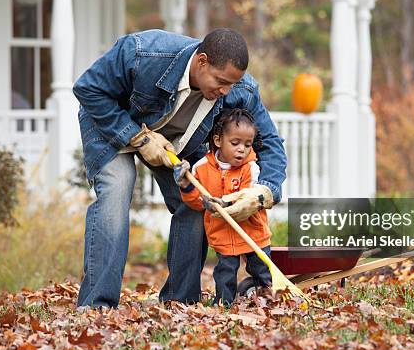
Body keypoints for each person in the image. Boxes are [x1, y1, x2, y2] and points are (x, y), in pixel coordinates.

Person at [72, 28, 286, 308]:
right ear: (202, 61)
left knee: (198, 201)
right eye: (221, 81)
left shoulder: (241, 89)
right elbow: (88, 88)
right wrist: (137, 136)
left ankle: (179, 301)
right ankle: (96, 305)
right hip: (112, 124)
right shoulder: (141, 52)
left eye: (231, 84)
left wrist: (264, 192)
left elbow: (269, 141)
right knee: (118, 187)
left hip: (178, 143)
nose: (226, 91)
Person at [173, 109, 272, 305]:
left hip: (253, 232)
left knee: (262, 269)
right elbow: (196, 202)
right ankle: (224, 304)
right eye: (235, 143)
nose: (242, 149)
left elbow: (245, 197)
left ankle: (269, 298)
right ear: (218, 141)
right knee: (225, 272)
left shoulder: (250, 167)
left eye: (247, 144)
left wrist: (224, 202)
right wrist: (186, 186)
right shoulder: (201, 168)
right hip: (223, 234)